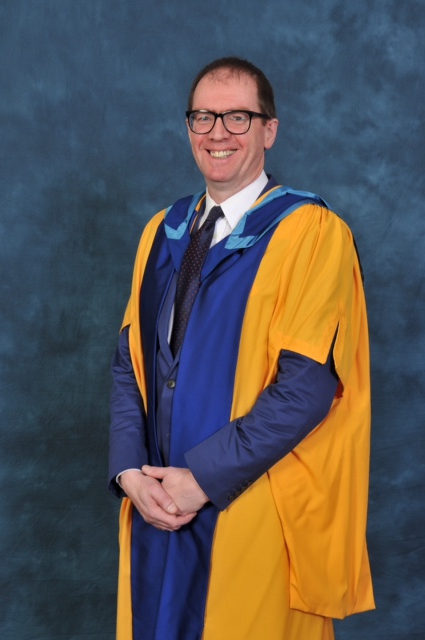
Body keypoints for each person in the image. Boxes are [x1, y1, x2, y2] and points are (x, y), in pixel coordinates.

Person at [109, 56, 374, 640]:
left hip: (251, 506)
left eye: (237, 117)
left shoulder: (310, 233)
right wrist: (130, 472)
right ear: (188, 129)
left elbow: (306, 389)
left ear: (268, 130)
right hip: (157, 506)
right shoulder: (162, 230)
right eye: (203, 118)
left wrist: (200, 479)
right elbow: (130, 363)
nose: (217, 133)